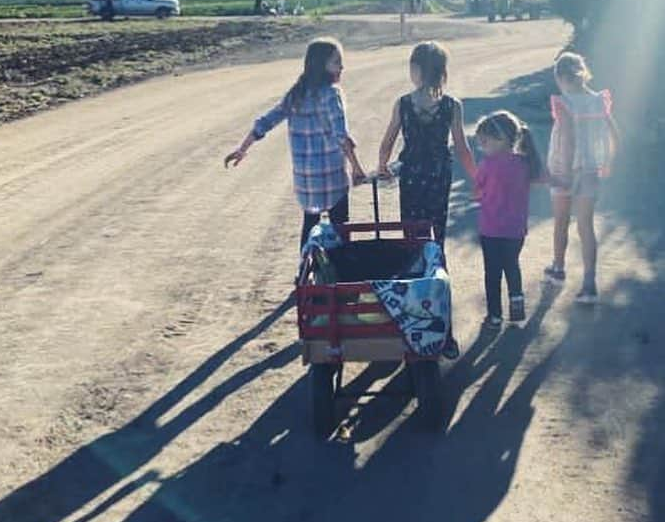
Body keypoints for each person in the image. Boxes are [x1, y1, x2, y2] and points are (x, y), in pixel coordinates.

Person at [225, 37, 366, 248]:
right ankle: (340, 272)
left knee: (310, 226)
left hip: (306, 181)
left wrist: (242, 148)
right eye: (337, 62)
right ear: (322, 65)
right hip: (332, 176)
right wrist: (356, 167)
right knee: (340, 228)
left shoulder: (296, 94)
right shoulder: (332, 94)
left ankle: (305, 272)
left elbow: (266, 122)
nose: (342, 67)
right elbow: (341, 136)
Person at [377, 41, 476, 247]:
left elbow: (387, 142)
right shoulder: (452, 106)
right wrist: (476, 177)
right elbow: (462, 148)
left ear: (416, 70)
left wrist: (382, 166)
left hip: (411, 173)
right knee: (435, 227)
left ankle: (414, 266)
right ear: (442, 72)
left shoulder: (403, 104)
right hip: (439, 175)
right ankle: (436, 265)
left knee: (411, 227)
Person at [544, 51, 619, 304]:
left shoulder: (565, 102)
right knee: (586, 226)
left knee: (561, 221)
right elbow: (614, 135)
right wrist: (607, 162)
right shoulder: (599, 101)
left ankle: (558, 268)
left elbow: (568, 140)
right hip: (590, 171)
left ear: (563, 77)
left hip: (565, 171)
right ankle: (589, 283)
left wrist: (564, 173)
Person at [473, 110, 548, 327]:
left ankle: (495, 316)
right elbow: (542, 178)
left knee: (492, 273)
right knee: (512, 266)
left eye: (484, 142)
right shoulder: (525, 163)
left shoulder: (487, 165)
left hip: (490, 229)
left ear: (501, 140)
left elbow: (477, 190)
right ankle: (517, 310)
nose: (482, 148)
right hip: (515, 230)